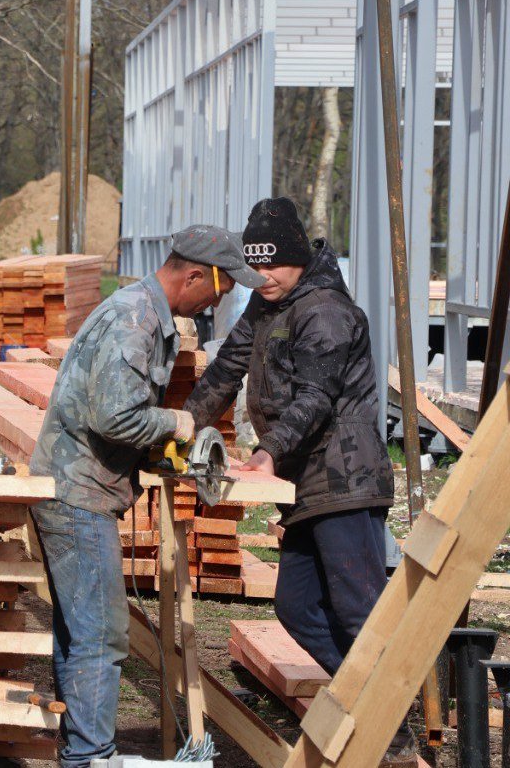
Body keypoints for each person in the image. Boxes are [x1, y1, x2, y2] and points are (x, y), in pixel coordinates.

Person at [183, 197, 412, 766]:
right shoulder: (267, 305)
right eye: (251, 267)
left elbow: (316, 398)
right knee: (296, 605)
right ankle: (363, 702)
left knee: (358, 609)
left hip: (345, 482)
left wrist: (267, 453)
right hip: (304, 487)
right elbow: (227, 368)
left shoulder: (326, 311)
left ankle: (394, 730)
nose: (259, 278)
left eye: (269, 267)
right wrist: (180, 425)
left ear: (293, 258)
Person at [30, 225, 265, 765]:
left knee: (80, 630)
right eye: (222, 288)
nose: (221, 299)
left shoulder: (143, 314)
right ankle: (92, 756)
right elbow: (114, 416)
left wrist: (162, 450)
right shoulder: (134, 320)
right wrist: (178, 423)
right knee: (102, 635)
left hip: (76, 486)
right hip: (78, 493)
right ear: (192, 276)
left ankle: (81, 753)